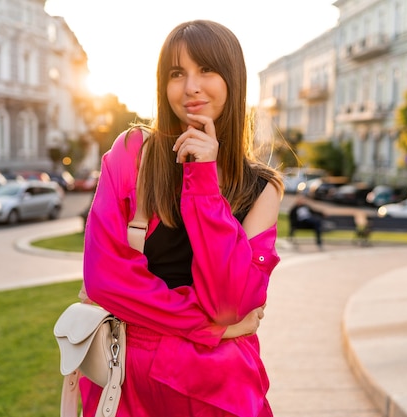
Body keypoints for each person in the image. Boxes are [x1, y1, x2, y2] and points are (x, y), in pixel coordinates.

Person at [79, 20, 283, 417]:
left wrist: (203, 179)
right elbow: (104, 279)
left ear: (233, 79)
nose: (191, 86)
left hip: (219, 389)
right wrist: (210, 329)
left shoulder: (262, 188)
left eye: (206, 69)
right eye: (177, 73)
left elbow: (228, 303)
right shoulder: (133, 153)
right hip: (129, 382)